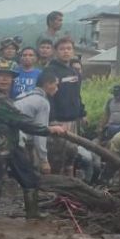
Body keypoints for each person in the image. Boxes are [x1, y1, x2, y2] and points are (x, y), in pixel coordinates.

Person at [0, 67, 66, 224]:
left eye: (8, 77)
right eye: (0, 76)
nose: (5, 79)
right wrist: (48, 129)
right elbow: (21, 121)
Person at [13, 71, 59, 218]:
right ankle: (33, 215)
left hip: (3, 139)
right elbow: (41, 132)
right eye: (55, 85)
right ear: (47, 84)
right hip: (16, 140)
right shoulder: (42, 102)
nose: (57, 89)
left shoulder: (24, 96)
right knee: (29, 178)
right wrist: (44, 160)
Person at [45, 38, 85, 175]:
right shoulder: (51, 71)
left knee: (71, 156)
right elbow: (48, 97)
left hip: (73, 120)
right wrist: (52, 119)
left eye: (69, 48)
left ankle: (70, 190)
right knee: (57, 158)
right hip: (58, 121)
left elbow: (77, 95)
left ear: (73, 51)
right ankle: (55, 190)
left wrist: (82, 113)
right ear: (56, 52)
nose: (66, 52)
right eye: (62, 49)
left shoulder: (74, 72)